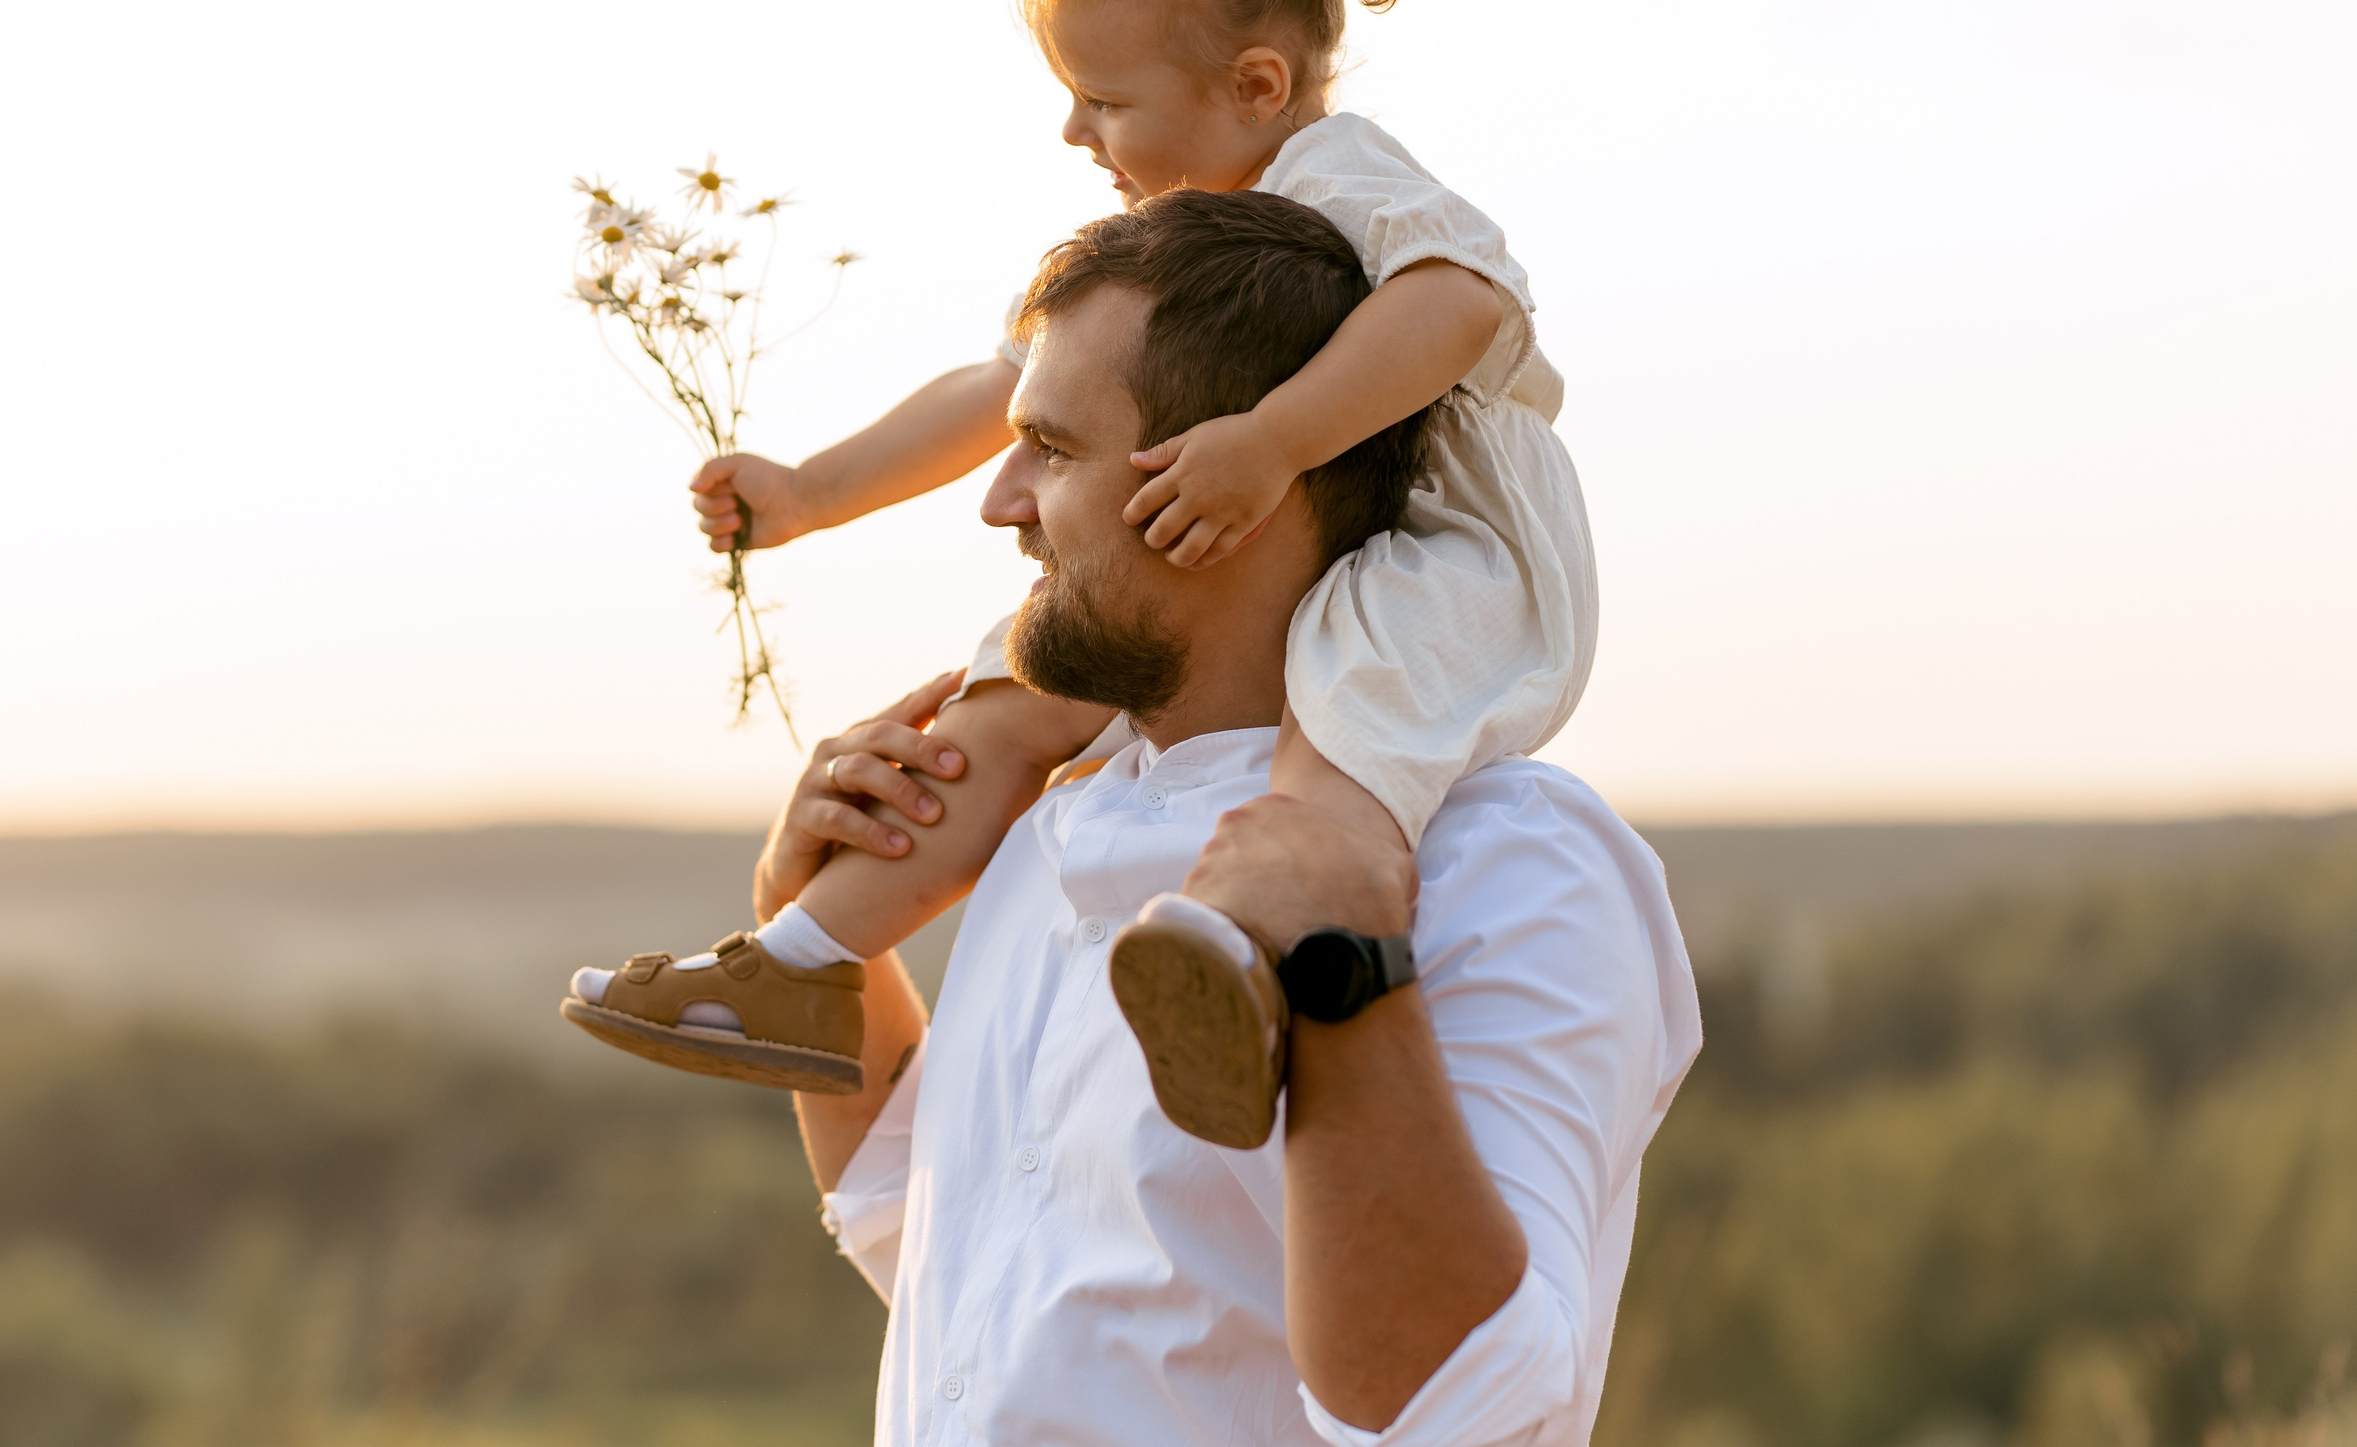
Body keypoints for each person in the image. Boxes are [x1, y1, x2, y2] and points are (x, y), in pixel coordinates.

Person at [562, 0, 1599, 1148]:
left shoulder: (1339, 177)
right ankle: (807, 962)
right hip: (1213, 544)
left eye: (1104, 99)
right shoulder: (1148, 249)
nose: (1072, 128)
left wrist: (1275, 438)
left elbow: (1457, 304)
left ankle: (1259, 960)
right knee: (1004, 697)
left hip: (1420, 538)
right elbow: (1003, 387)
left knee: (1350, 726)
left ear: (1260, 83)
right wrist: (813, 490)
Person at [705, 190, 1695, 1446]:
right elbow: (948, 1253)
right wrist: (823, 946)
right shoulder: (1044, 841)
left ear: (1237, 488)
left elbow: (1471, 1412)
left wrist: (1342, 969)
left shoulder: (1507, 860)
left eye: (1052, 450)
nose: (998, 501)